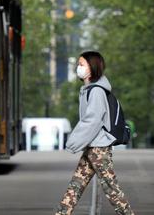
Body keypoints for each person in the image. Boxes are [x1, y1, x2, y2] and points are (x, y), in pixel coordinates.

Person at [55, 51, 134, 215]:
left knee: (111, 189)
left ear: (92, 68)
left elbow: (92, 121)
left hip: (99, 149)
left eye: (82, 64)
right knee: (75, 186)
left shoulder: (96, 91)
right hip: (92, 147)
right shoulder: (88, 90)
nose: (79, 68)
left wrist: (73, 142)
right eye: (78, 64)